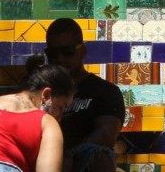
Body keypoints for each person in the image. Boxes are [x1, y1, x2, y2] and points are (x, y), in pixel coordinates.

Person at [45, 19, 123, 172]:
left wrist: (69, 156)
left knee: (100, 154)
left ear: (82, 51)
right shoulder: (41, 91)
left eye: (67, 51)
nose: (60, 58)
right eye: (53, 53)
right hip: (44, 161)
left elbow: (106, 134)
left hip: (83, 163)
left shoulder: (105, 91)